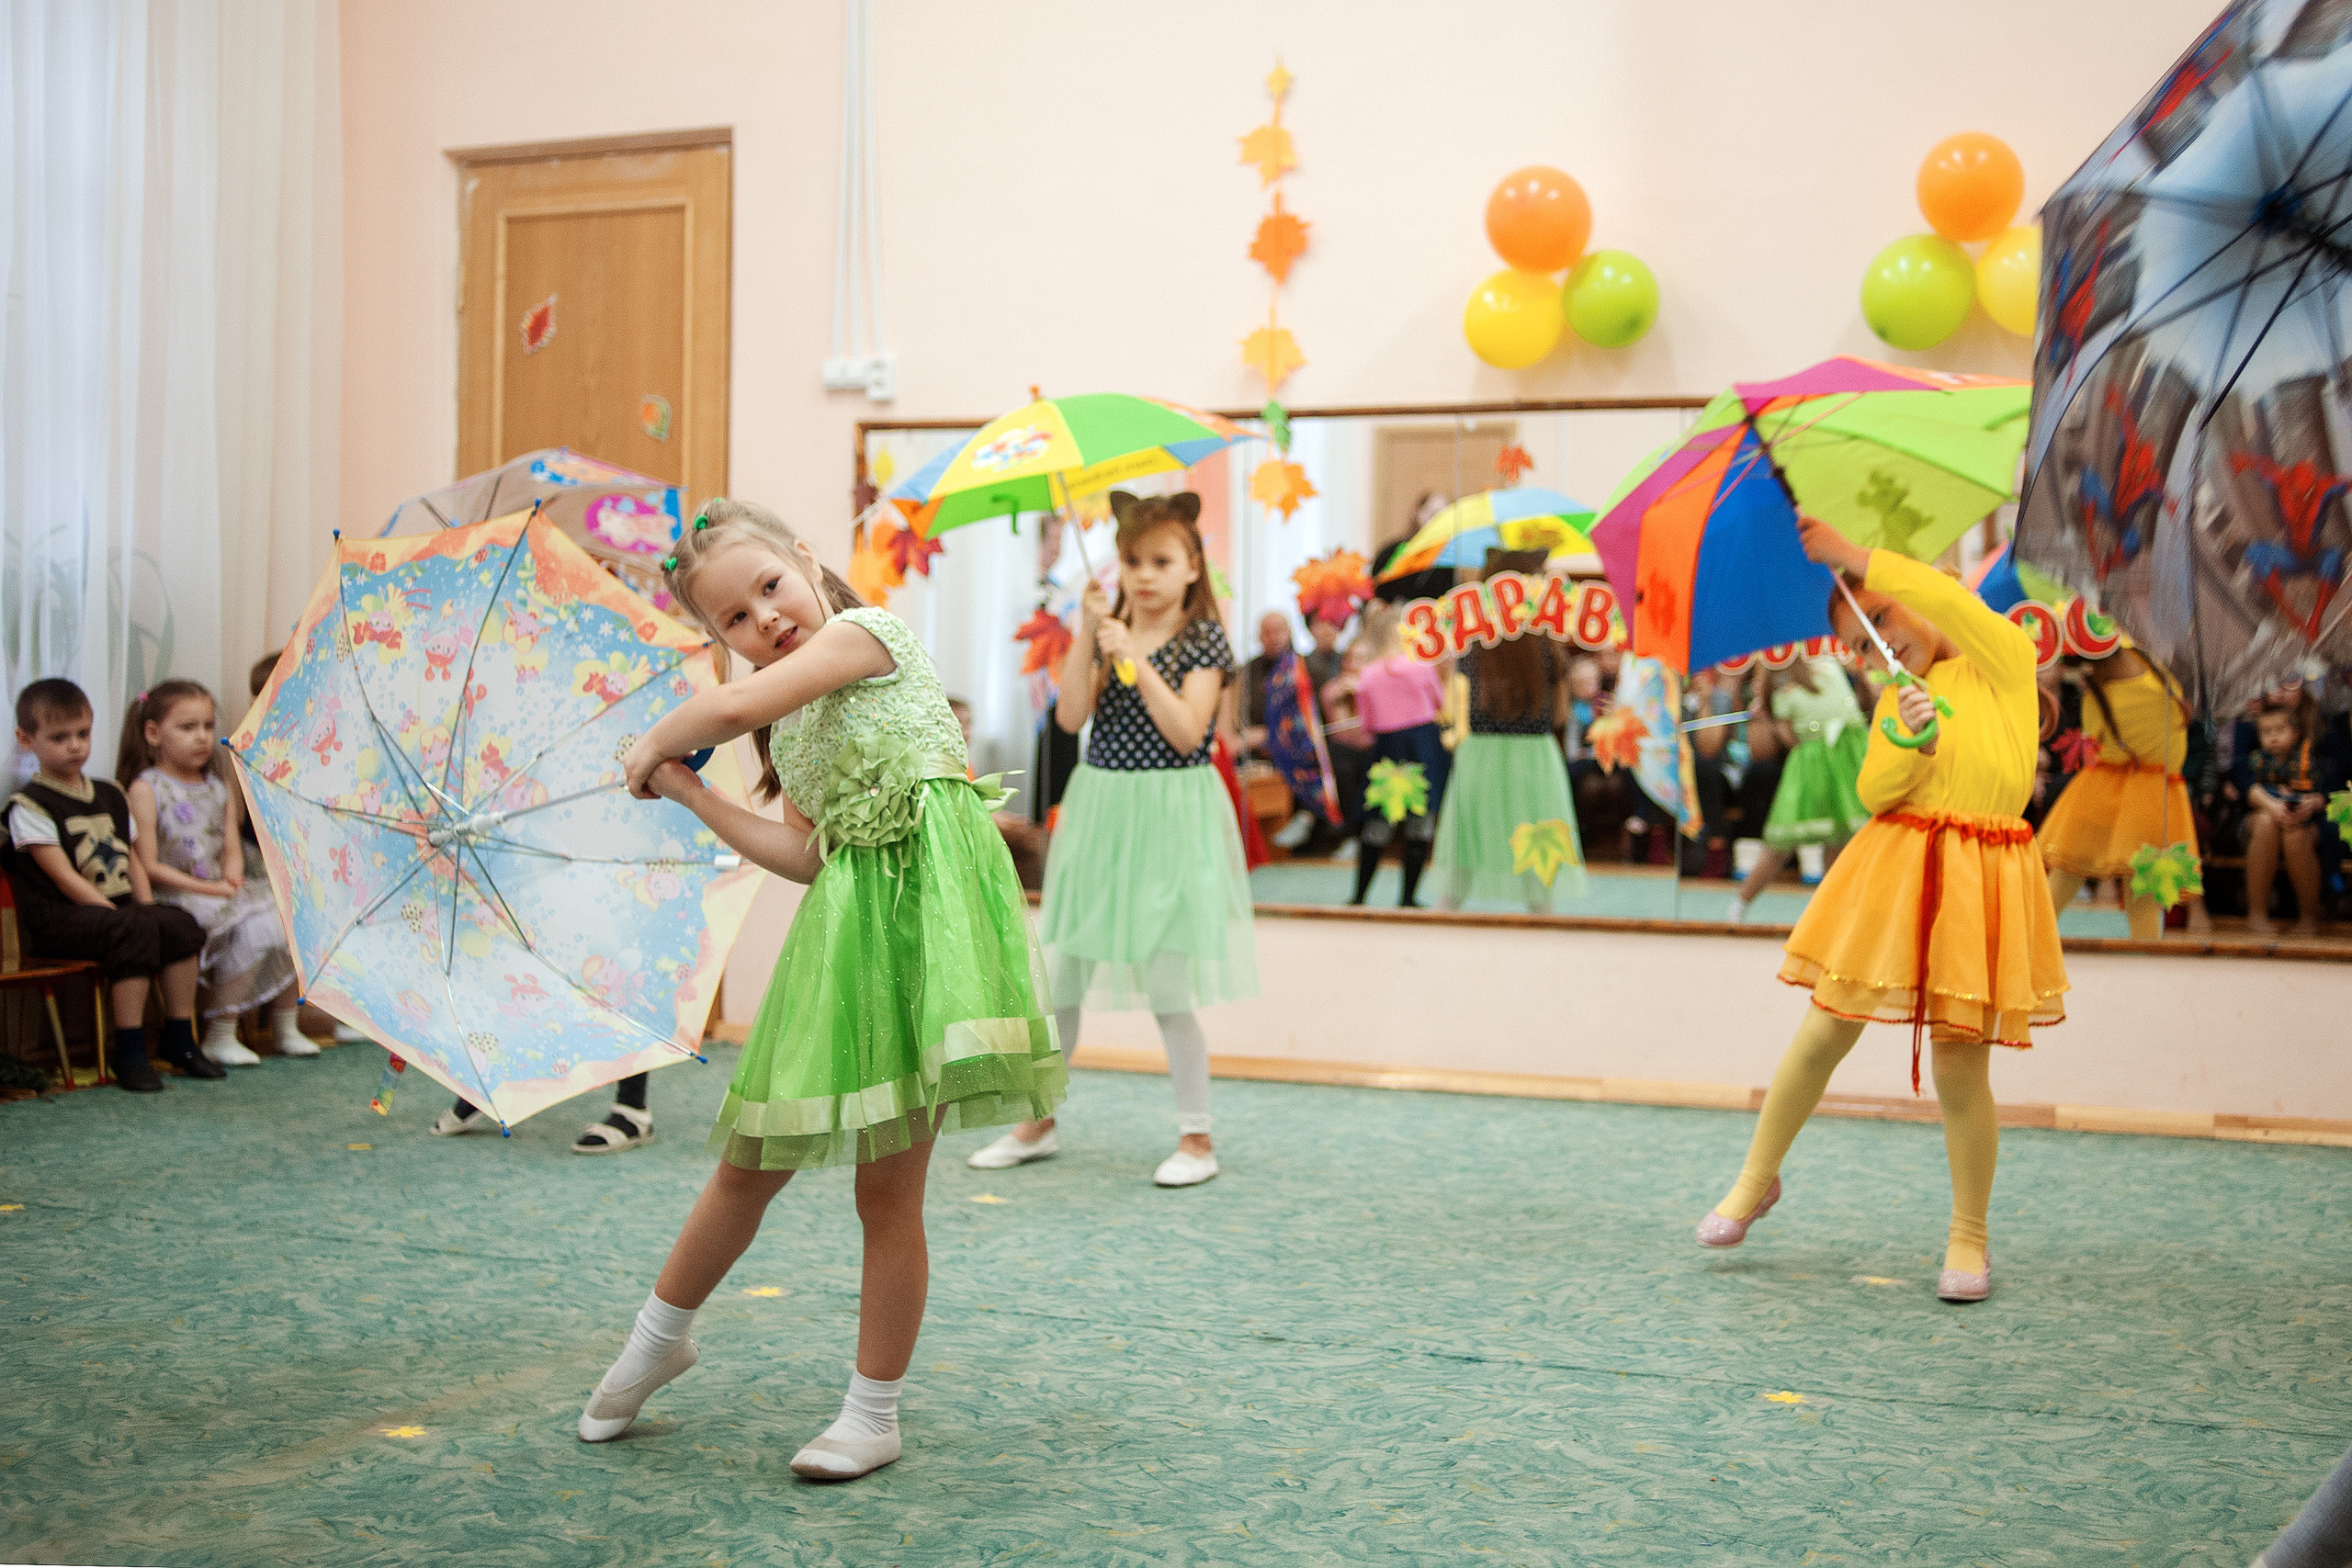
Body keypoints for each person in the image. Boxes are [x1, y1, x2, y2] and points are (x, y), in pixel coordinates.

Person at [580, 497, 1064, 1481]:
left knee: (886, 1190)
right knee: (750, 1158)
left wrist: (644, 747)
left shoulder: (863, 633)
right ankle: (653, 1341)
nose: (765, 620)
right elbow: (801, 855)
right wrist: (684, 788)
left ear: (805, 560)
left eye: (768, 586)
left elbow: (722, 708)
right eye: (737, 621)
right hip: (847, 929)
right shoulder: (788, 727)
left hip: (929, 929)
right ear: (721, 636)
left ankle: (871, 1414)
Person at [1695, 519, 2066, 1305]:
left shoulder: (2005, 658)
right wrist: (1909, 736)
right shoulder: (1901, 693)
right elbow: (1874, 793)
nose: (1876, 650)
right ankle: (1754, 1180)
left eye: (1880, 620)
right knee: (1824, 1030)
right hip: (1896, 870)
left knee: (1961, 1061)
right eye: (1860, 646)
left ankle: (1970, 1232)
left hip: (1979, 880)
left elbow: (1947, 602)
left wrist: (1858, 558)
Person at [969, 491, 1256, 1189]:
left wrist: (1137, 658)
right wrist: (1086, 637)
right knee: (1063, 973)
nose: (1144, 575)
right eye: (1132, 561)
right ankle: (1038, 1121)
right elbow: (1069, 718)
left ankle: (1197, 1137)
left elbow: (1190, 731)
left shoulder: (1206, 641)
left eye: (1161, 560)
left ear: (1193, 566)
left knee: (1166, 984)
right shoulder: (1108, 625)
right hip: (1102, 809)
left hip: (1170, 813)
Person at [4, 678, 209, 1091]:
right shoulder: (28, 805)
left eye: (83, 734)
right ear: (26, 740)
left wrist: (146, 908)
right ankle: (129, 1051)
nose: (75, 746)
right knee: (134, 929)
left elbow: (132, 858)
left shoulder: (110, 792)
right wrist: (124, 917)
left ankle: (179, 1038)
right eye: (59, 738)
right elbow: (62, 876)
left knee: (180, 924)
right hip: (60, 919)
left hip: (115, 914)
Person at [119, 681, 307, 1065]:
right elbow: (150, 866)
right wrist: (212, 889)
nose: (202, 737)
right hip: (177, 896)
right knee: (256, 925)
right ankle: (220, 1031)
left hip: (219, 890)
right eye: (188, 728)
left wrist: (233, 879)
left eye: (207, 726)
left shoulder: (219, 786)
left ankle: (285, 1025)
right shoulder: (145, 789)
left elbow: (230, 848)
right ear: (153, 733)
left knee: (287, 918)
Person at [1430, 552, 1585, 912]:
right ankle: (1543, 922)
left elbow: (1455, 704)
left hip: (1480, 755)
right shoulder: (1547, 645)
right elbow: (1560, 715)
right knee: (1538, 848)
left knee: (1464, 848)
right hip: (1534, 756)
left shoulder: (1473, 642)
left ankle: (1443, 919)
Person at [2035, 647, 2200, 941]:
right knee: (2144, 882)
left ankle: (2029, 942)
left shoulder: (2095, 696)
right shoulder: (2158, 672)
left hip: (2100, 788)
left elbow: (2094, 741)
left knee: (2067, 871)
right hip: (2154, 792)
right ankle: (2147, 952)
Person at [1727, 653, 1869, 924]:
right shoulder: (1788, 691)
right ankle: (1740, 903)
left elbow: (1795, 738)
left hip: (1846, 760)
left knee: (1836, 844)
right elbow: (1794, 742)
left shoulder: (1828, 668)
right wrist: (1768, 719)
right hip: (1816, 769)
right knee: (1785, 843)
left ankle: (1830, 915)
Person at [1346, 604, 1452, 907]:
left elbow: (1365, 725)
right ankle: (1408, 897)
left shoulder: (1366, 675)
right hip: (1424, 747)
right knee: (1420, 820)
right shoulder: (1422, 669)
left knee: (1379, 821)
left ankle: (1360, 895)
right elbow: (1440, 704)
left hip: (1386, 750)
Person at [2242, 700, 2334, 936]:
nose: (2273, 738)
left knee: (2295, 835)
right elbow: (2244, 786)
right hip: (2263, 817)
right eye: (2266, 732)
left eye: (2280, 731)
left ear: (2295, 733)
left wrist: (2310, 802)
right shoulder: (2256, 759)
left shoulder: (2308, 758)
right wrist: (2274, 804)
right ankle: (2257, 915)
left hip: (2305, 819)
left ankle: (2308, 918)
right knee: (2265, 823)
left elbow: (2324, 789)